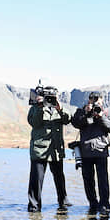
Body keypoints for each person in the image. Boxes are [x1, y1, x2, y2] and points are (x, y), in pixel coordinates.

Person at [27, 80, 71, 212]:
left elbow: (67, 119)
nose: (50, 99)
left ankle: (63, 201)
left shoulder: (59, 108)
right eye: (49, 97)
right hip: (39, 150)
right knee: (36, 180)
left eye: (53, 97)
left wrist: (59, 107)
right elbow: (34, 123)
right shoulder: (35, 108)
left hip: (56, 150)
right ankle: (34, 206)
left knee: (59, 178)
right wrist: (40, 107)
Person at [71, 91, 110, 214]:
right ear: (88, 100)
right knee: (88, 180)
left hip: (101, 150)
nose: (94, 100)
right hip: (85, 151)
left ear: (101, 99)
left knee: (103, 180)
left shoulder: (105, 112)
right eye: (92, 98)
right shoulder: (81, 111)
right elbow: (75, 123)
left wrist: (100, 116)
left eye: (97, 98)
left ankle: (104, 205)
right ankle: (92, 203)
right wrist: (86, 113)